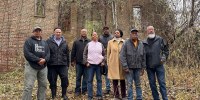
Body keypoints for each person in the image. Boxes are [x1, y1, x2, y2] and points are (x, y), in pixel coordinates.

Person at [22, 26, 50, 100]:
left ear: (41, 32)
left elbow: (48, 53)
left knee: (43, 85)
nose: (37, 32)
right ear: (33, 32)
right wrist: (38, 60)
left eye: (39, 31)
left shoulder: (44, 42)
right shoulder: (28, 41)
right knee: (28, 86)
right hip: (31, 66)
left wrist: (45, 60)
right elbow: (27, 54)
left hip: (43, 67)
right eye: (36, 31)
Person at [143, 26, 169, 100]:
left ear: (154, 30)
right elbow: (142, 55)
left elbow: (166, 50)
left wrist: (163, 58)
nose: (150, 31)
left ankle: (165, 98)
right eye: (149, 30)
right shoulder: (144, 42)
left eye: (152, 29)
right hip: (149, 67)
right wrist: (143, 65)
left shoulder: (160, 39)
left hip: (159, 65)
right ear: (147, 31)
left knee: (162, 83)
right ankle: (156, 98)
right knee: (152, 84)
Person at [120, 29, 146, 100]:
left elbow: (143, 55)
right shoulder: (126, 43)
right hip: (129, 68)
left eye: (135, 33)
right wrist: (125, 66)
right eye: (133, 33)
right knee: (129, 84)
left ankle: (139, 98)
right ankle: (130, 98)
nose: (134, 34)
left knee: (138, 84)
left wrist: (143, 67)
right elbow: (122, 56)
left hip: (138, 67)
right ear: (130, 34)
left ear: (137, 34)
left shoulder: (141, 43)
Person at [46, 27, 69, 100]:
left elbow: (68, 53)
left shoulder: (65, 42)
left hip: (63, 64)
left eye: (59, 32)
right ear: (54, 33)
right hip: (52, 65)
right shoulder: (48, 41)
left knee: (65, 79)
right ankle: (53, 95)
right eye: (57, 32)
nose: (58, 33)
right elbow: (46, 53)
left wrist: (67, 64)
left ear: (61, 33)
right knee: (52, 80)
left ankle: (64, 95)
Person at [83, 32, 105, 100]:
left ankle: (99, 95)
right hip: (90, 65)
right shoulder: (88, 44)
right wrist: (86, 62)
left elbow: (104, 54)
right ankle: (90, 96)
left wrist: (103, 62)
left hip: (99, 65)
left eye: (96, 35)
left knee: (99, 80)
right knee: (89, 81)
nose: (94, 36)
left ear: (97, 36)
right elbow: (84, 54)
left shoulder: (100, 45)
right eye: (93, 35)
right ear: (91, 36)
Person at [107, 29, 126, 100]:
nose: (116, 33)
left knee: (122, 80)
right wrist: (108, 63)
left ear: (120, 34)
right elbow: (108, 53)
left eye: (117, 32)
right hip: (113, 63)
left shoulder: (124, 42)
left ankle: (124, 95)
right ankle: (116, 96)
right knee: (114, 80)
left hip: (122, 63)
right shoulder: (110, 42)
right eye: (115, 33)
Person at [71, 29, 91, 96]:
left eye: (85, 32)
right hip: (78, 63)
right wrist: (72, 61)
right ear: (80, 33)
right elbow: (73, 51)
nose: (84, 33)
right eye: (82, 32)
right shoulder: (76, 42)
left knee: (86, 77)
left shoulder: (89, 42)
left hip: (87, 63)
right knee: (78, 77)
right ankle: (77, 90)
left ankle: (84, 90)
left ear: (87, 33)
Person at [99, 26, 113, 94]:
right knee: (103, 73)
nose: (106, 30)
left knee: (111, 74)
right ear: (103, 30)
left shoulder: (112, 37)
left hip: (111, 57)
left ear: (109, 30)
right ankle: (104, 88)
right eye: (104, 29)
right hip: (102, 58)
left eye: (107, 29)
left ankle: (111, 88)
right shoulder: (100, 37)